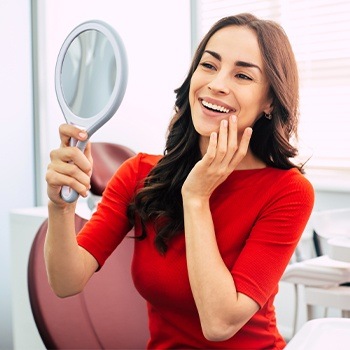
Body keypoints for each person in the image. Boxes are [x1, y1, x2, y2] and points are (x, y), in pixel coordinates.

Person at [45, 13, 314, 349]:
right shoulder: (138, 174)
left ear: (270, 101)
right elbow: (65, 282)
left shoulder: (288, 192)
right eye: (209, 65)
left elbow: (219, 323)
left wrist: (197, 198)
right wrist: (59, 208)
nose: (217, 83)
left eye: (242, 74)